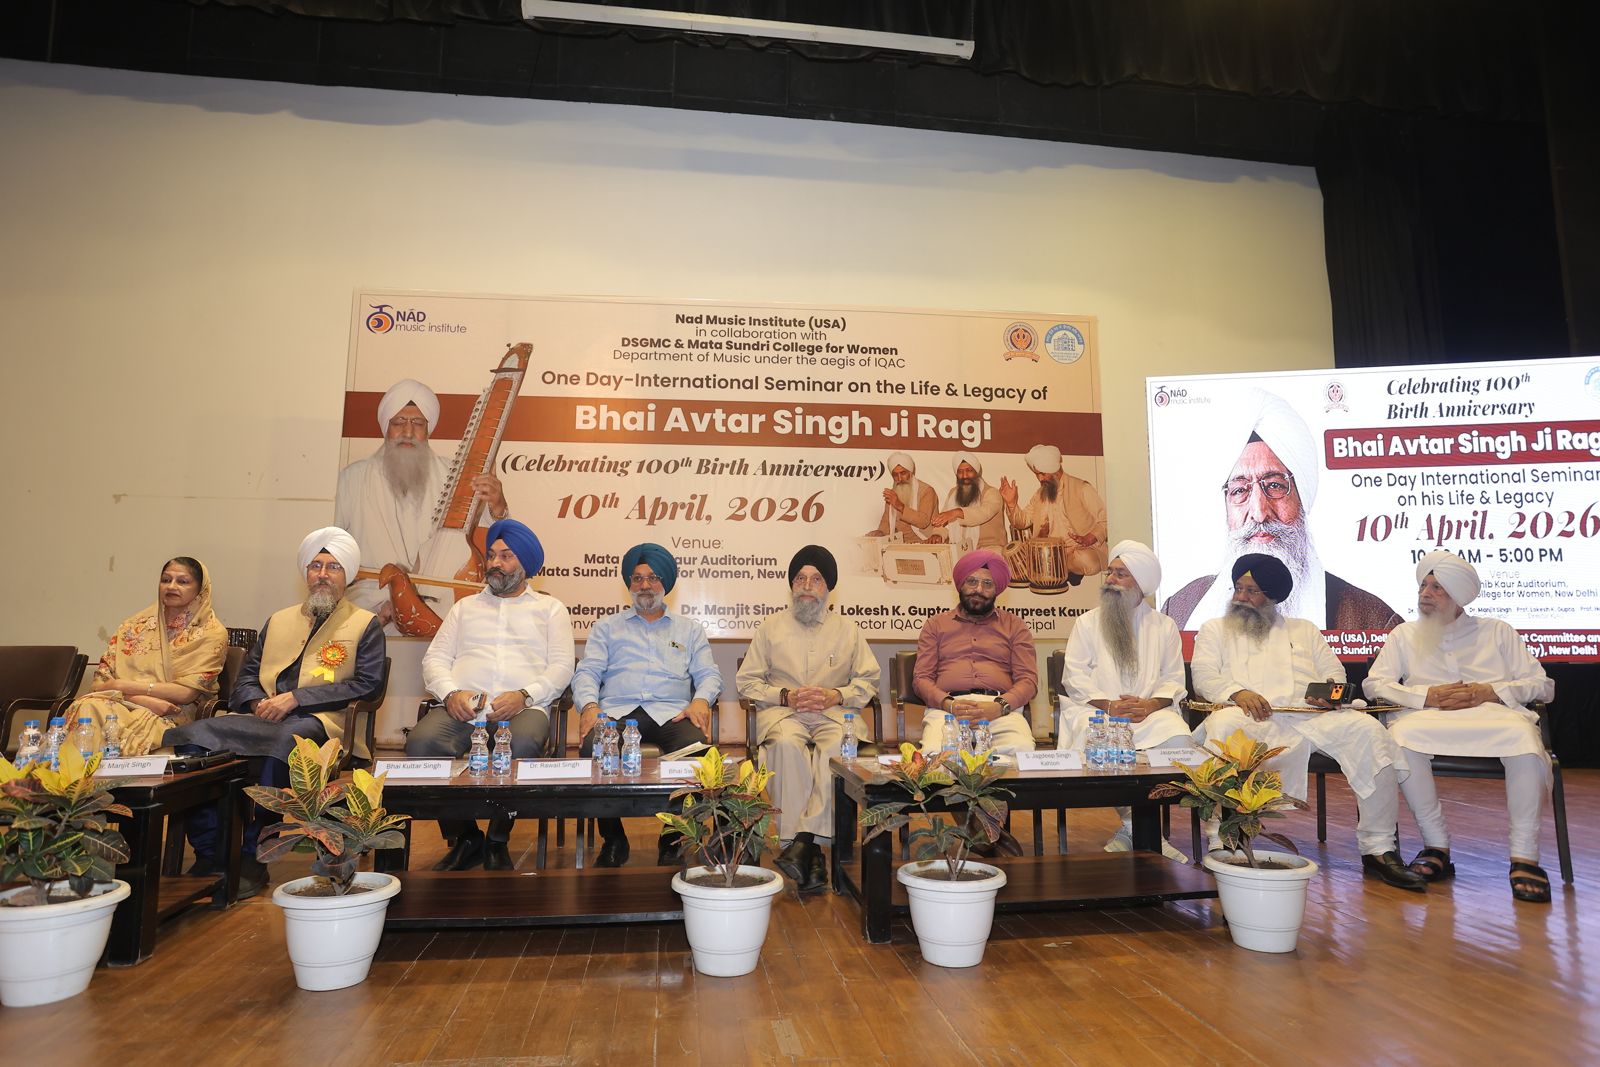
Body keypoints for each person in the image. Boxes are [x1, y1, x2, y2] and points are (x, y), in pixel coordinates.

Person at [167, 527, 385, 898]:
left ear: (347, 577)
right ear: (305, 572)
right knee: (191, 737)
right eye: (315, 565)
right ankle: (211, 850)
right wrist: (256, 702)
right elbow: (247, 677)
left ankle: (253, 853)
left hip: (321, 722)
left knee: (284, 743)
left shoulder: (365, 624)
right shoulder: (279, 619)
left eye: (332, 567)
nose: (322, 574)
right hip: (262, 716)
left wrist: (296, 699)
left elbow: (367, 685)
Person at [1190, 554, 1424, 890]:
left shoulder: (1304, 629)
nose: (1241, 597)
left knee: (1369, 731)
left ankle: (1379, 849)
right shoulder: (1215, 629)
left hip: (1308, 717)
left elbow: (1335, 675)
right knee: (1222, 728)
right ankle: (1222, 840)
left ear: (1272, 596)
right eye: (1238, 588)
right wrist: (1237, 692)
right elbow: (1204, 677)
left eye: (1252, 591)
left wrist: (1329, 694)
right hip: (1249, 716)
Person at [1365, 550, 1557, 903]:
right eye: (1423, 585)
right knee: (1401, 739)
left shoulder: (1497, 631)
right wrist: (1427, 695)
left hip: (1494, 717)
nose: (1425, 593)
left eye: (1437, 588)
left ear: (1457, 595)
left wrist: (1491, 691)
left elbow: (1543, 685)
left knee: (1525, 742)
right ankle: (1436, 846)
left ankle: (1525, 856)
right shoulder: (1404, 635)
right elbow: (1374, 685)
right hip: (1427, 718)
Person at [407, 519, 574, 872]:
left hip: (522, 710)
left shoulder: (550, 609)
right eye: (492, 555)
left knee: (523, 744)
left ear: (525, 564)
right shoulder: (464, 608)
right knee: (421, 746)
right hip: (463, 708)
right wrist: (450, 693)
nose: (495, 563)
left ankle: (498, 838)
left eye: (506, 556)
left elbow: (561, 667)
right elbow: (434, 659)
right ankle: (466, 837)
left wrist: (525, 695)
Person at [1161, 389, 1402, 631]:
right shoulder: (1181, 610)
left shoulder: (1373, 621)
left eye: (1274, 485)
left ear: (1302, 496)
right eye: (1239, 490)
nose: (1258, 512)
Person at [736, 546, 880, 893]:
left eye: (816, 580)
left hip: (833, 714)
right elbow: (747, 681)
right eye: (800, 579)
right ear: (791, 586)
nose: (807, 586)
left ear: (828, 588)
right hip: (786, 713)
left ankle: (801, 843)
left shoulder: (848, 629)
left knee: (835, 751)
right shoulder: (771, 626)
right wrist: (784, 695)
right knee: (785, 746)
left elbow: (869, 679)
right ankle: (808, 848)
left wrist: (837, 695)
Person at [573, 543, 721, 868]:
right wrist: (588, 705)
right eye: (637, 578)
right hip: (617, 714)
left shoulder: (690, 630)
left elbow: (709, 674)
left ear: (665, 583)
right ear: (629, 583)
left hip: (672, 713)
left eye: (652, 578)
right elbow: (587, 672)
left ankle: (673, 837)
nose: (645, 585)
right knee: (593, 749)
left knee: (697, 752)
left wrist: (700, 700)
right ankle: (613, 839)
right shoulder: (606, 628)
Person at [334, 378, 510, 631]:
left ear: (429, 428)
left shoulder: (455, 475)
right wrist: (385, 607)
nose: (407, 432)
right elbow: (331, 551)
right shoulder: (352, 478)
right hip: (369, 603)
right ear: (386, 427)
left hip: (439, 605)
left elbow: (493, 540)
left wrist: (497, 506)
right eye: (398, 423)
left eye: (417, 423)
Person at [1057, 541, 1188, 857]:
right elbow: (1073, 676)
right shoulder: (1087, 622)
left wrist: (1149, 705)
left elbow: (1173, 679)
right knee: (1108, 743)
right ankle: (1140, 831)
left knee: (1179, 740)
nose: (1110, 580)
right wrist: (1110, 706)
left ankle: (1136, 829)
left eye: (1120, 574)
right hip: (1096, 710)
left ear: (1140, 584)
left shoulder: (1164, 626)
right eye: (1110, 573)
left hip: (1149, 712)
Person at [66, 556, 227, 756]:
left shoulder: (210, 632)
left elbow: (185, 693)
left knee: (96, 711)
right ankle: (74, 782)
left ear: (200, 589)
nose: (171, 586)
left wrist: (121, 686)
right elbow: (100, 685)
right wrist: (143, 699)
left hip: (174, 713)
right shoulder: (133, 627)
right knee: (86, 706)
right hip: (126, 702)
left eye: (182, 581)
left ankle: (103, 783)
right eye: (166, 580)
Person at [913, 548, 1038, 755]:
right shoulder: (935, 625)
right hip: (948, 709)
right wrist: (949, 704)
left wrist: (999, 707)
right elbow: (921, 679)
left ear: (997, 590)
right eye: (972, 582)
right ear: (960, 585)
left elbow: (1028, 680)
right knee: (936, 753)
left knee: (1021, 750)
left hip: (1000, 711)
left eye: (987, 584)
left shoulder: (1015, 626)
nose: (978, 589)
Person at [1000, 443, 1108, 581]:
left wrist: (1090, 537)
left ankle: (1056, 567)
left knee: (1087, 562)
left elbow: (1105, 520)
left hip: (1080, 550)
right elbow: (1023, 521)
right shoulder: (1039, 495)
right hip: (1049, 553)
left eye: (1043, 474)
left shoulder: (1081, 488)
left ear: (1055, 470)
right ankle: (1058, 567)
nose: (1040, 479)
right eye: (1037, 474)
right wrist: (1011, 504)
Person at [929, 453, 1006, 553]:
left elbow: (982, 513)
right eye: (960, 472)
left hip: (990, 549)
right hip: (960, 549)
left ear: (977, 472)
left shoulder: (992, 493)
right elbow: (945, 522)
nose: (965, 476)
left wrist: (956, 512)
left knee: (978, 569)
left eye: (969, 471)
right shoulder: (953, 493)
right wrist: (938, 534)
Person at [864, 451, 942, 543]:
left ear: (910, 472)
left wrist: (899, 505)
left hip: (923, 542)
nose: (900, 479)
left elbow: (923, 522)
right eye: (895, 475)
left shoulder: (926, 491)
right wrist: (880, 532)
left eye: (903, 473)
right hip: (897, 543)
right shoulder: (893, 492)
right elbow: (886, 521)